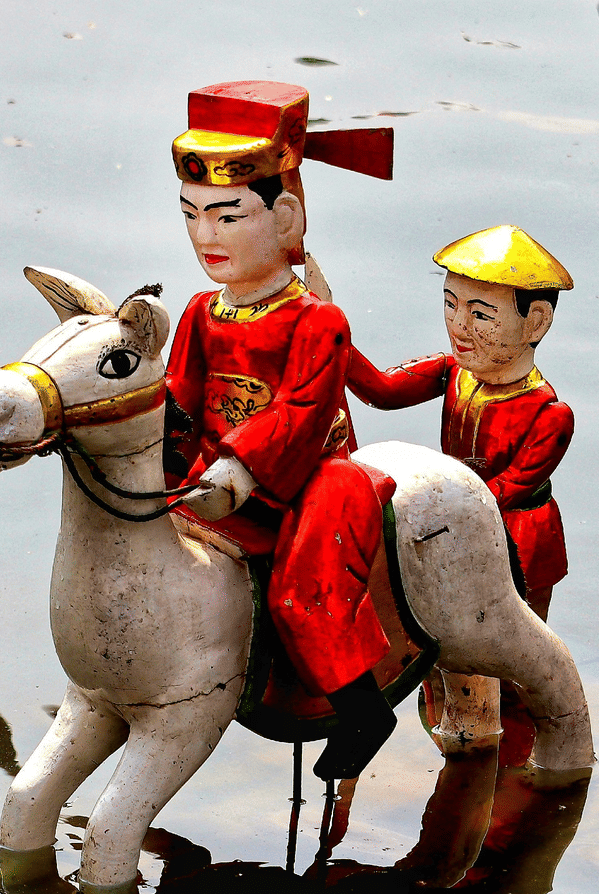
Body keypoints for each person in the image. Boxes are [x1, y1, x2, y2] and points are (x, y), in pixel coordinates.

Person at [164, 80, 398, 779]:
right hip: (210, 477)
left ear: (285, 216)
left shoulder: (316, 320)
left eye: (229, 216)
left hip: (303, 478)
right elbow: (180, 398)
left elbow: (300, 411)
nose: (207, 236)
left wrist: (237, 470)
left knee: (303, 598)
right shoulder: (202, 313)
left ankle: (362, 710)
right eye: (192, 215)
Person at [346, 226, 573, 764]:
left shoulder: (549, 414)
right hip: (448, 523)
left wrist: (431, 503)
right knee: (441, 655)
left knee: (516, 656)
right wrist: (332, 338)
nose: (459, 327)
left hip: (519, 538)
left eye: (481, 314)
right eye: (450, 306)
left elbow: (506, 492)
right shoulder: (453, 374)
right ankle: (456, 756)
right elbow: (380, 389)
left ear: (535, 322)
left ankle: (513, 762)